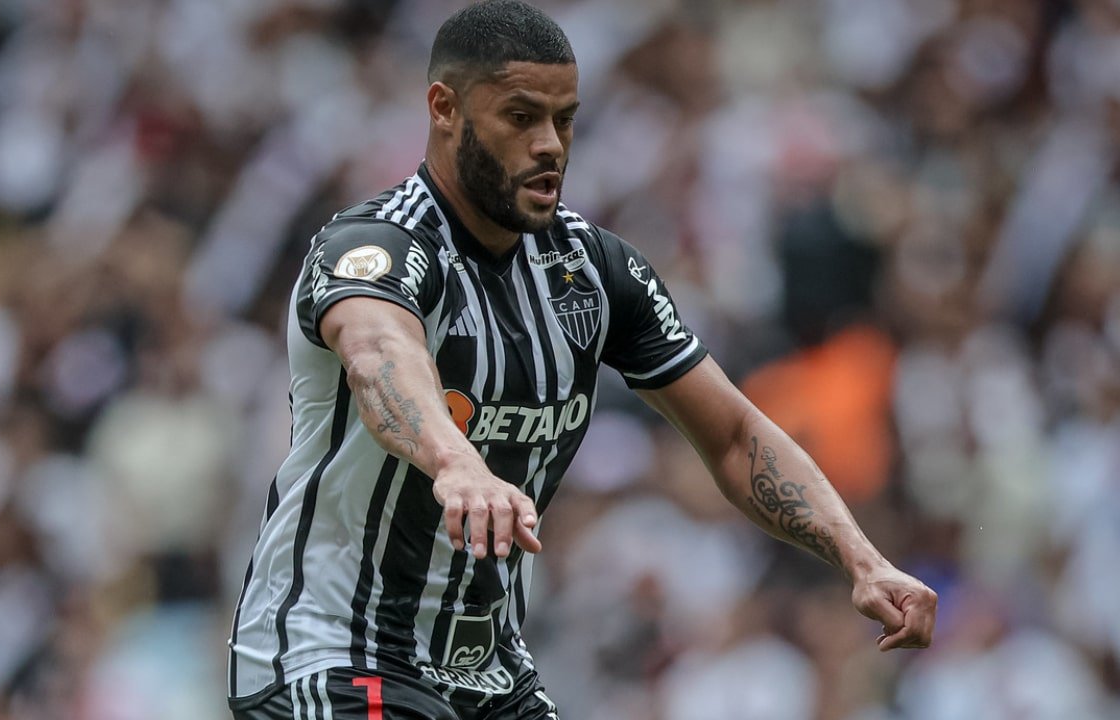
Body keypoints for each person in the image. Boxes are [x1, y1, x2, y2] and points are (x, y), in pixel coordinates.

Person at [227, 1, 937, 717]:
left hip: (488, 673)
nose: (550, 145)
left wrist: (859, 556)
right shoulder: (374, 247)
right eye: (521, 117)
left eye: (564, 120)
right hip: (332, 653)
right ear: (444, 108)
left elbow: (733, 435)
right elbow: (381, 356)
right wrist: (456, 462)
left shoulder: (593, 272)